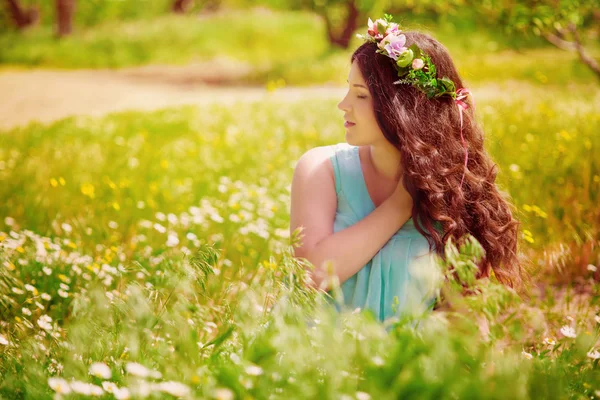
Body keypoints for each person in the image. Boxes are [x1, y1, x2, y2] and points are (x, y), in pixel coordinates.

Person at [289, 15, 524, 322]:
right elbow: (312, 276)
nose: (343, 104)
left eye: (361, 95)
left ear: (401, 107)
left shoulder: (454, 184)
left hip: (417, 362)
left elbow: (468, 315)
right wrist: (402, 202)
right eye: (349, 90)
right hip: (324, 359)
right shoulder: (321, 169)